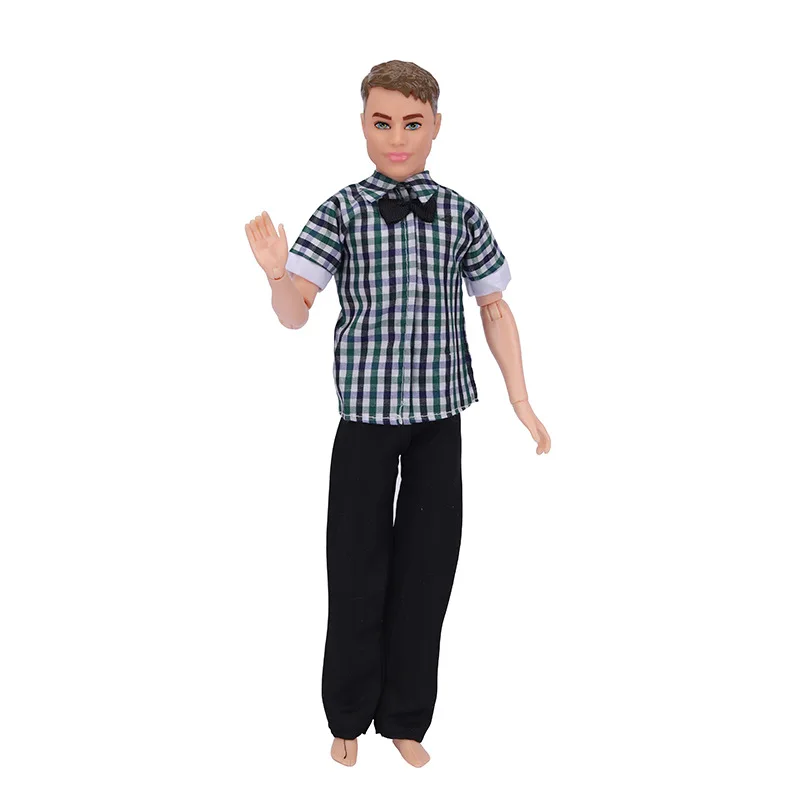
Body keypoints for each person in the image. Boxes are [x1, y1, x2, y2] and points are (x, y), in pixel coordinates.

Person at [245, 59, 551, 768]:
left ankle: (407, 717)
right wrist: (276, 274)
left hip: (442, 415)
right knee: (354, 566)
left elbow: (495, 307)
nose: (398, 139)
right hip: (366, 418)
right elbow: (295, 313)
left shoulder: (462, 214)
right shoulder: (342, 211)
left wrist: (522, 399)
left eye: (413, 124)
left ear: (436, 126)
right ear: (363, 125)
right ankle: (347, 715)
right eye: (382, 123)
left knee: (429, 566)